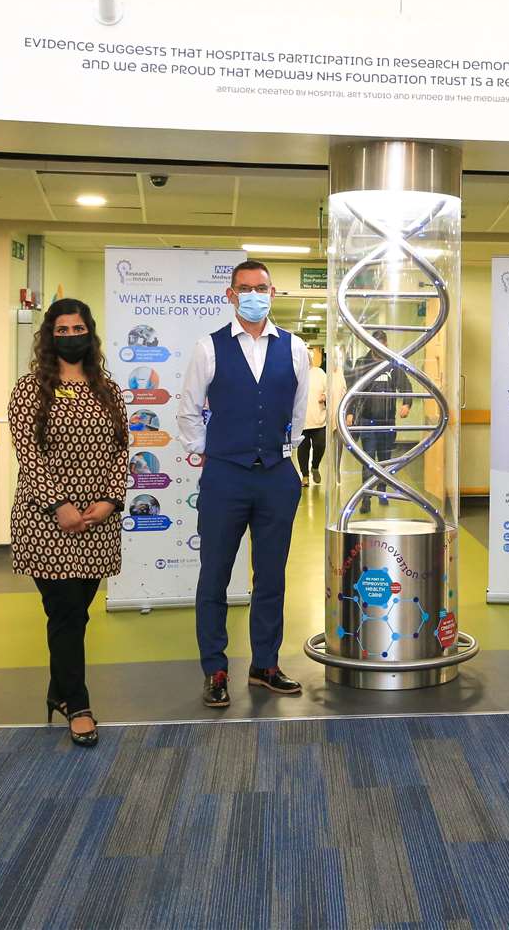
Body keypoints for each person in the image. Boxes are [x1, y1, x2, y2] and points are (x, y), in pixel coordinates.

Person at [177, 260, 311, 702]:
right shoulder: (208, 347)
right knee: (214, 574)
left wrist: (283, 456)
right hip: (224, 477)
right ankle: (215, 669)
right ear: (230, 294)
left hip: (276, 476)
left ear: (273, 293)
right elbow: (189, 410)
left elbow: (297, 413)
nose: (254, 294)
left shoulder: (295, 349)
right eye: (245, 288)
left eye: (262, 287)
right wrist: (213, 453)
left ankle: (264, 665)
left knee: (271, 577)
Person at [8, 299, 129, 748]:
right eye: (62, 329)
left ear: (90, 333)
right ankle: (77, 704)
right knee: (65, 613)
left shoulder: (108, 390)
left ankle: (57, 692)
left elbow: (122, 450)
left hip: (97, 521)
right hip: (46, 521)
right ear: (48, 336)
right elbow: (29, 455)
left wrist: (110, 501)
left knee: (76, 614)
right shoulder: (29, 391)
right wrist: (58, 504)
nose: (71, 335)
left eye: (78, 327)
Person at [344, 329, 412, 511]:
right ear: (370, 345)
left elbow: (406, 386)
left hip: (388, 422)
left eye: (383, 345)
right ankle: (366, 498)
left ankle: (382, 491)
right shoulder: (362, 364)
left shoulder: (392, 364)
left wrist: (407, 404)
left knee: (385, 459)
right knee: (368, 460)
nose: (380, 348)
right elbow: (352, 390)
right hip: (367, 421)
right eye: (377, 345)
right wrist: (349, 413)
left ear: (386, 345)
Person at [297, 351, 329, 485]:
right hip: (302, 420)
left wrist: (325, 396)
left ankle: (315, 466)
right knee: (303, 448)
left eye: (308, 357)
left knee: (320, 445)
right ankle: (305, 475)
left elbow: (329, 388)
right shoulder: (296, 373)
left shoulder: (320, 373)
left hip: (319, 419)